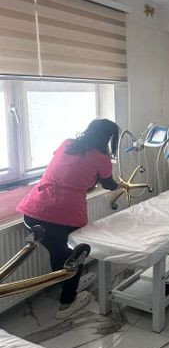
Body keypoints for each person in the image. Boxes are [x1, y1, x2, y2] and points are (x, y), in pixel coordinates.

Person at [17, 118, 126, 319]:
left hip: (33, 210)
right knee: (76, 254)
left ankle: (68, 284)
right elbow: (108, 184)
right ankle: (68, 302)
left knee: (57, 252)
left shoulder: (67, 144)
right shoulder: (101, 158)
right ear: (109, 138)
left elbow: (66, 168)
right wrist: (119, 185)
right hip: (62, 213)